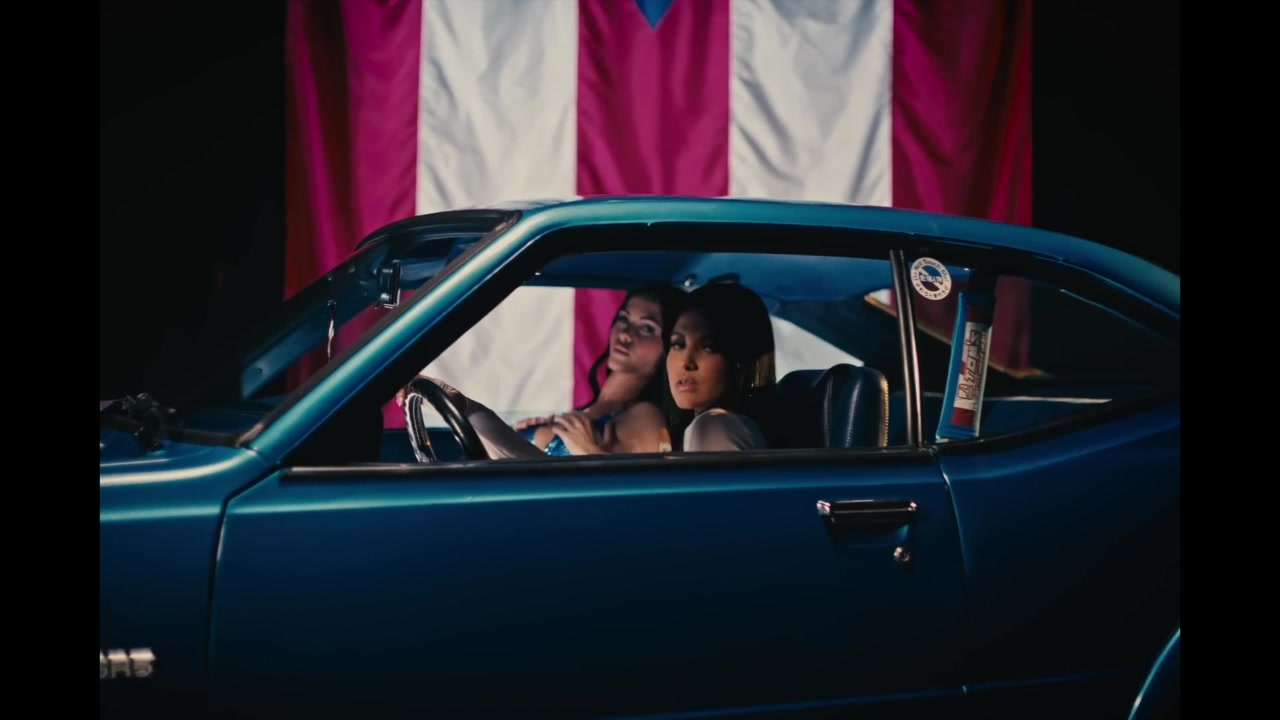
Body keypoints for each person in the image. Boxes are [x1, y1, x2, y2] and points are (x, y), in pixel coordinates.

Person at [399, 283, 685, 459]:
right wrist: (526, 434)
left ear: (670, 345)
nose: (625, 334)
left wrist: (590, 453)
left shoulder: (645, 415)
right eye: (623, 319)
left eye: (647, 328)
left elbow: (645, 500)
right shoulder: (589, 412)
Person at [659, 282, 781, 452]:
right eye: (678, 344)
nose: (686, 362)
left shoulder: (714, 425)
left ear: (741, 359)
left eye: (708, 347)